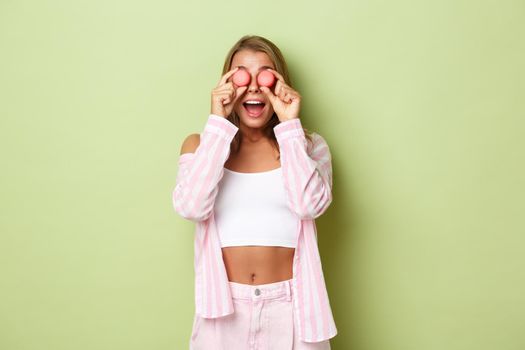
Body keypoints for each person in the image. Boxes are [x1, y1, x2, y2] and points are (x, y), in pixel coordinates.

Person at [172, 35, 337, 350]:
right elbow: (192, 207)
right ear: (226, 83)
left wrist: (290, 127)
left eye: (265, 74)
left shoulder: (308, 146)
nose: (253, 86)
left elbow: (309, 206)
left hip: (294, 308)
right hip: (222, 312)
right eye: (241, 75)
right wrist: (217, 123)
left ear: (279, 84)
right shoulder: (200, 145)